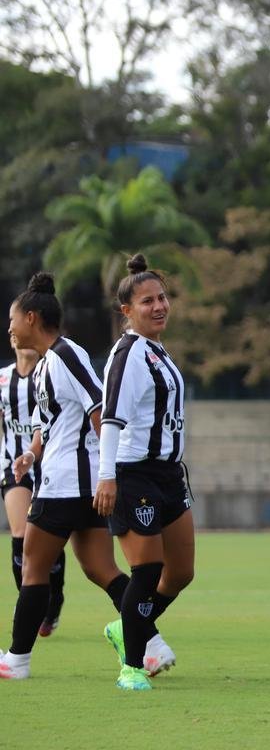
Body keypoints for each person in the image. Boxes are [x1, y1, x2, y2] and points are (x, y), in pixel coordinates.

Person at [0, 273, 141, 680]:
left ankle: (18, 659)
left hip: (66, 485)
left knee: (32, 566)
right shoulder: (48, 363)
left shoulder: (66, 355)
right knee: (101, 569)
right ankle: (150, 643)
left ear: (31, 317)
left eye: (12, 319)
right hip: (71, 481)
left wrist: (108, 474)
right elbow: (53, 424)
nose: (9, 328)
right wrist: (29, 454)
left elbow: (100, 410)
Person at [95, 255, 192, 691]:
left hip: (170, 474)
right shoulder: (129, 353)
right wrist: (107, 477)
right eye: (147, 301)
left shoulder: (156, 350)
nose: (159, 306)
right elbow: (111, 418)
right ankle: (132, 667)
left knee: (182, 572)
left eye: (162, 297)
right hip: (134, 473)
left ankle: (126, 627)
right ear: (126, 311)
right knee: (147, 570)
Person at [2, 335, 68, 636]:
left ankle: (54, 599)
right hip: (12, 467)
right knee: (20, 535)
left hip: (47, 466)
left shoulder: (47, 373)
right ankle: (30, 604)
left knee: (47, 539)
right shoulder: (2, 379)